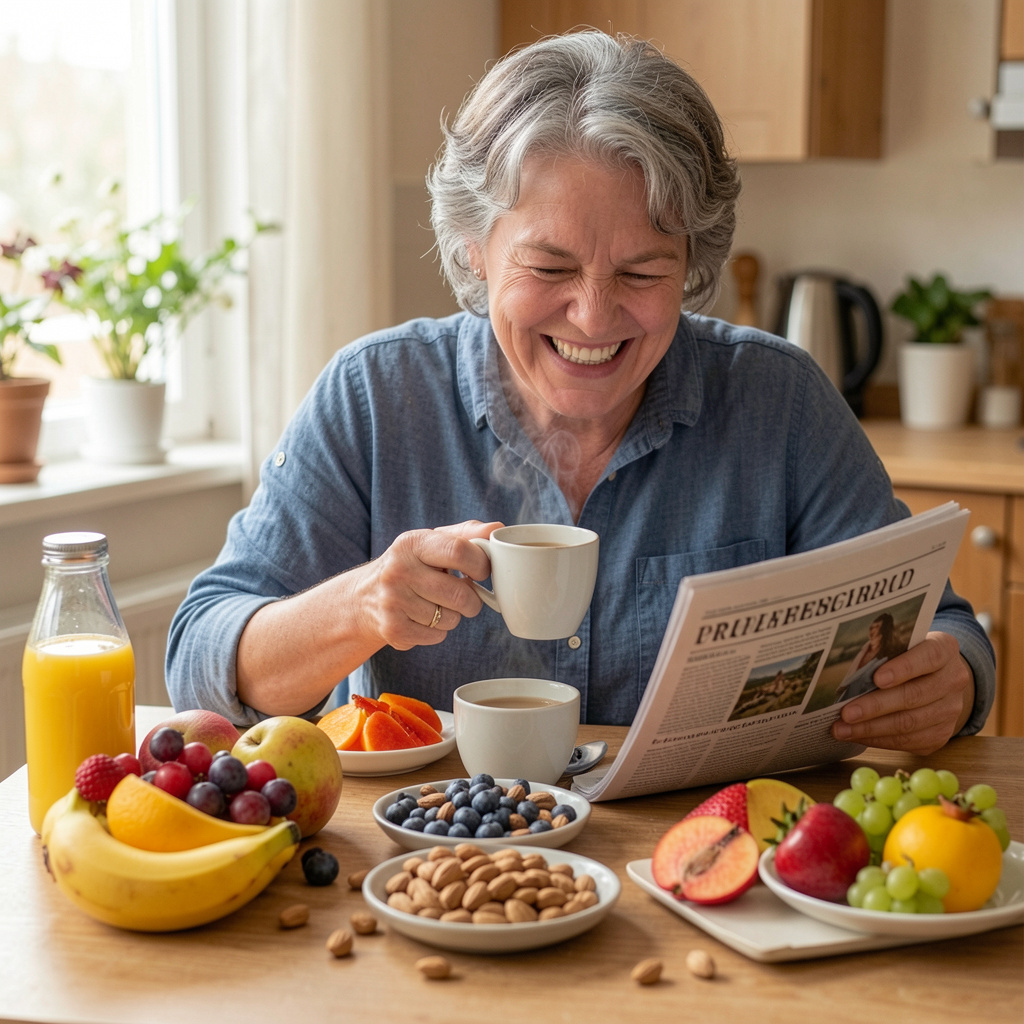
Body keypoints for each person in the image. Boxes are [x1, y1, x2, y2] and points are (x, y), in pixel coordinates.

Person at [166, 30, 994, 757]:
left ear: (693, 265)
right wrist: (360, 604)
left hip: (707, 867)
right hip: (438, 871)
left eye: (642, 272)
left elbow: (947, 628)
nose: (593, 316)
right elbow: (202, 659)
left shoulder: (778, 401)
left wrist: (951, 685)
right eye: (549, 267)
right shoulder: (377, 396)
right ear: (473, 250)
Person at [834, 613, 903, 703]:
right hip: (847, 698)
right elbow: (852, 672)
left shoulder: (888, 654)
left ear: (884, 630)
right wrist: (843, 685)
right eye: (871, 627)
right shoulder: (865, 649)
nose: (871, 630)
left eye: (876, 627)